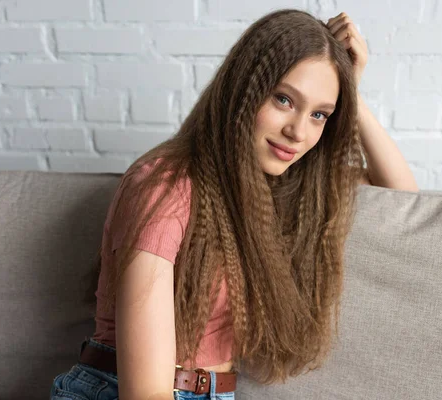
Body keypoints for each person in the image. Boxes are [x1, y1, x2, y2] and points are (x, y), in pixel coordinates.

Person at [50, 8, 418, 400]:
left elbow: (403, 197)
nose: (297, 131)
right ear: (243, 89)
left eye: (319, 114)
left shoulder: (283, 191)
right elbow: (145, 394)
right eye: (283, 99)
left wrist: (351, 93)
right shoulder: (164, 185)